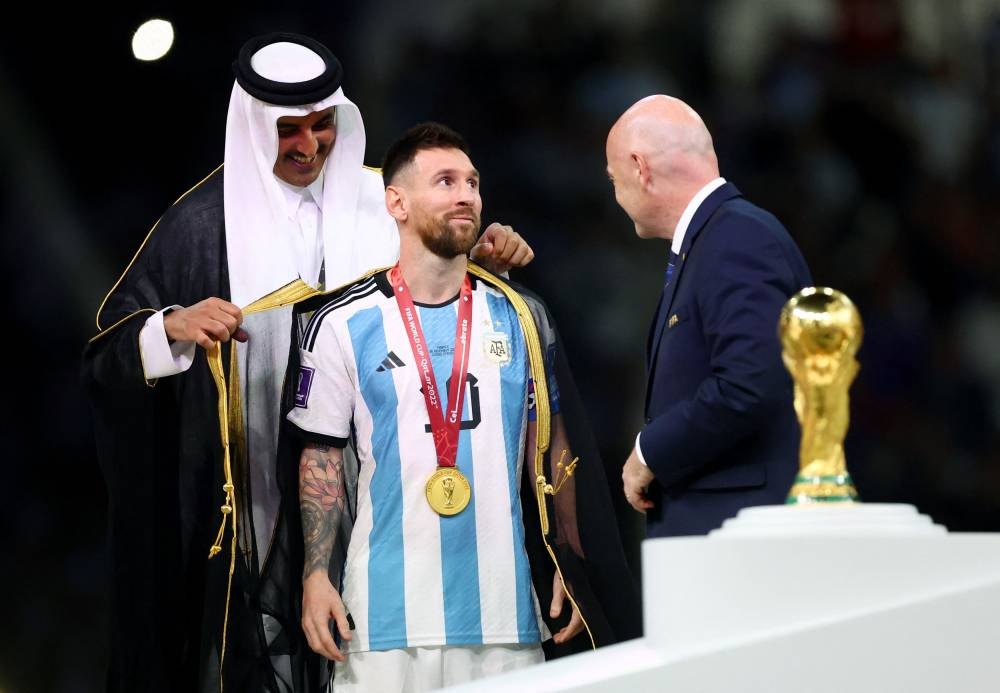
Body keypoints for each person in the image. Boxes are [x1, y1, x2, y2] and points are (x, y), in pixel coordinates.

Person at [81, 33, 533, 693]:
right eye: (289, 129)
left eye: (324, 125)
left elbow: (446, 279)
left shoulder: (389, 205)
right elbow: (104, 358)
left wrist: (479, 256)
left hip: (391, 513)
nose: (309, 144)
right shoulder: (200, 228)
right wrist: (168, 330)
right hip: (256, 508)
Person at [283, 122, 641, 691]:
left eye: (472, 182)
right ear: (395, 202)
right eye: (445, 181)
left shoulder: (521, 315)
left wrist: (569, 562)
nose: (465, 195)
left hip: (503, 617)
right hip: (379, 617)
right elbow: (321, 457)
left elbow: (549, 448)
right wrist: (314, 575)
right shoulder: (340, 323)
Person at [605, 95, 813, 538]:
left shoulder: (736, 237)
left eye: (613, 177)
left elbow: (749, 382)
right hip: (723, 540)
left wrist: (649, 451)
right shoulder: (713, 241)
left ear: (640, 167)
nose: (616, 193)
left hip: (740, 542)